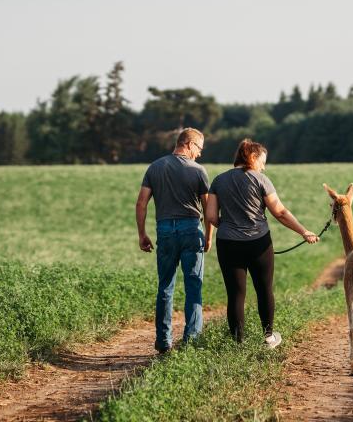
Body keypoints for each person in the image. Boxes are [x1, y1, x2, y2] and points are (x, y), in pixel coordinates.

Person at [205, 138, 318, 348]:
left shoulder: (219, 180)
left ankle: (237, 342)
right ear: (253, 157)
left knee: (235, 293)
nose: (263, 167)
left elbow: (211, 216)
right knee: (264, 289)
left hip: (228, 244)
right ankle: (268, 337)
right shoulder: (261, 180)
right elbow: (281, 213)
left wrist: (229, 225)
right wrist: (303, 231)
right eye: (262, 162)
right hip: (259, 243)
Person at [135, 127, 214, 353]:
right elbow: (208, 208)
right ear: (188, 144)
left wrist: (142, 234)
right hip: (191, 229)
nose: (199, 153)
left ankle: (163, 341)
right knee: (193, 287)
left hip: (165, 230)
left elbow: (141, 203)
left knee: (165, 287)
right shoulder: (198, 171)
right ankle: (191, 341)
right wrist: (208, 237)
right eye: (199, 148)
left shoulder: (155, 167)